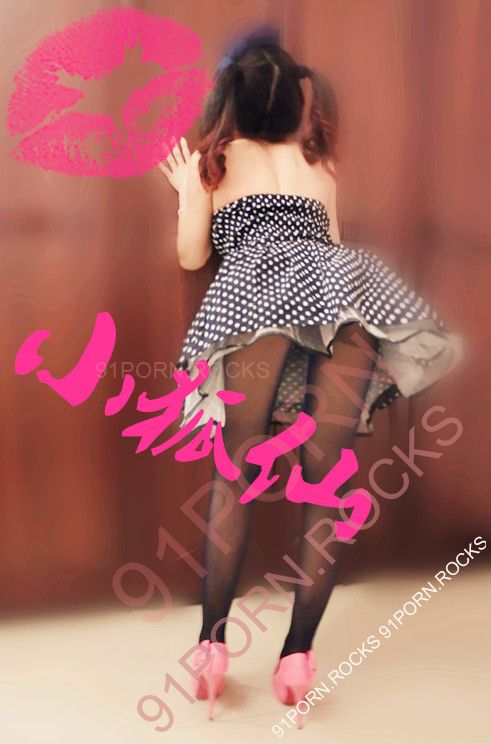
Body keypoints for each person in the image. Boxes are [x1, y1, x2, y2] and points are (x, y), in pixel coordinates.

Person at [159, 25, 463, 723]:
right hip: (343, 296)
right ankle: (297, 658)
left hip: (255, 298)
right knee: (326, 481)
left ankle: (211, 648)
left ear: (230, 101)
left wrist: (185, 191)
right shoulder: (317, 163)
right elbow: (326, 251)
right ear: (294, 103)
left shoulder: (215, 160)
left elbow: (190, 256)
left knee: (234, 471)